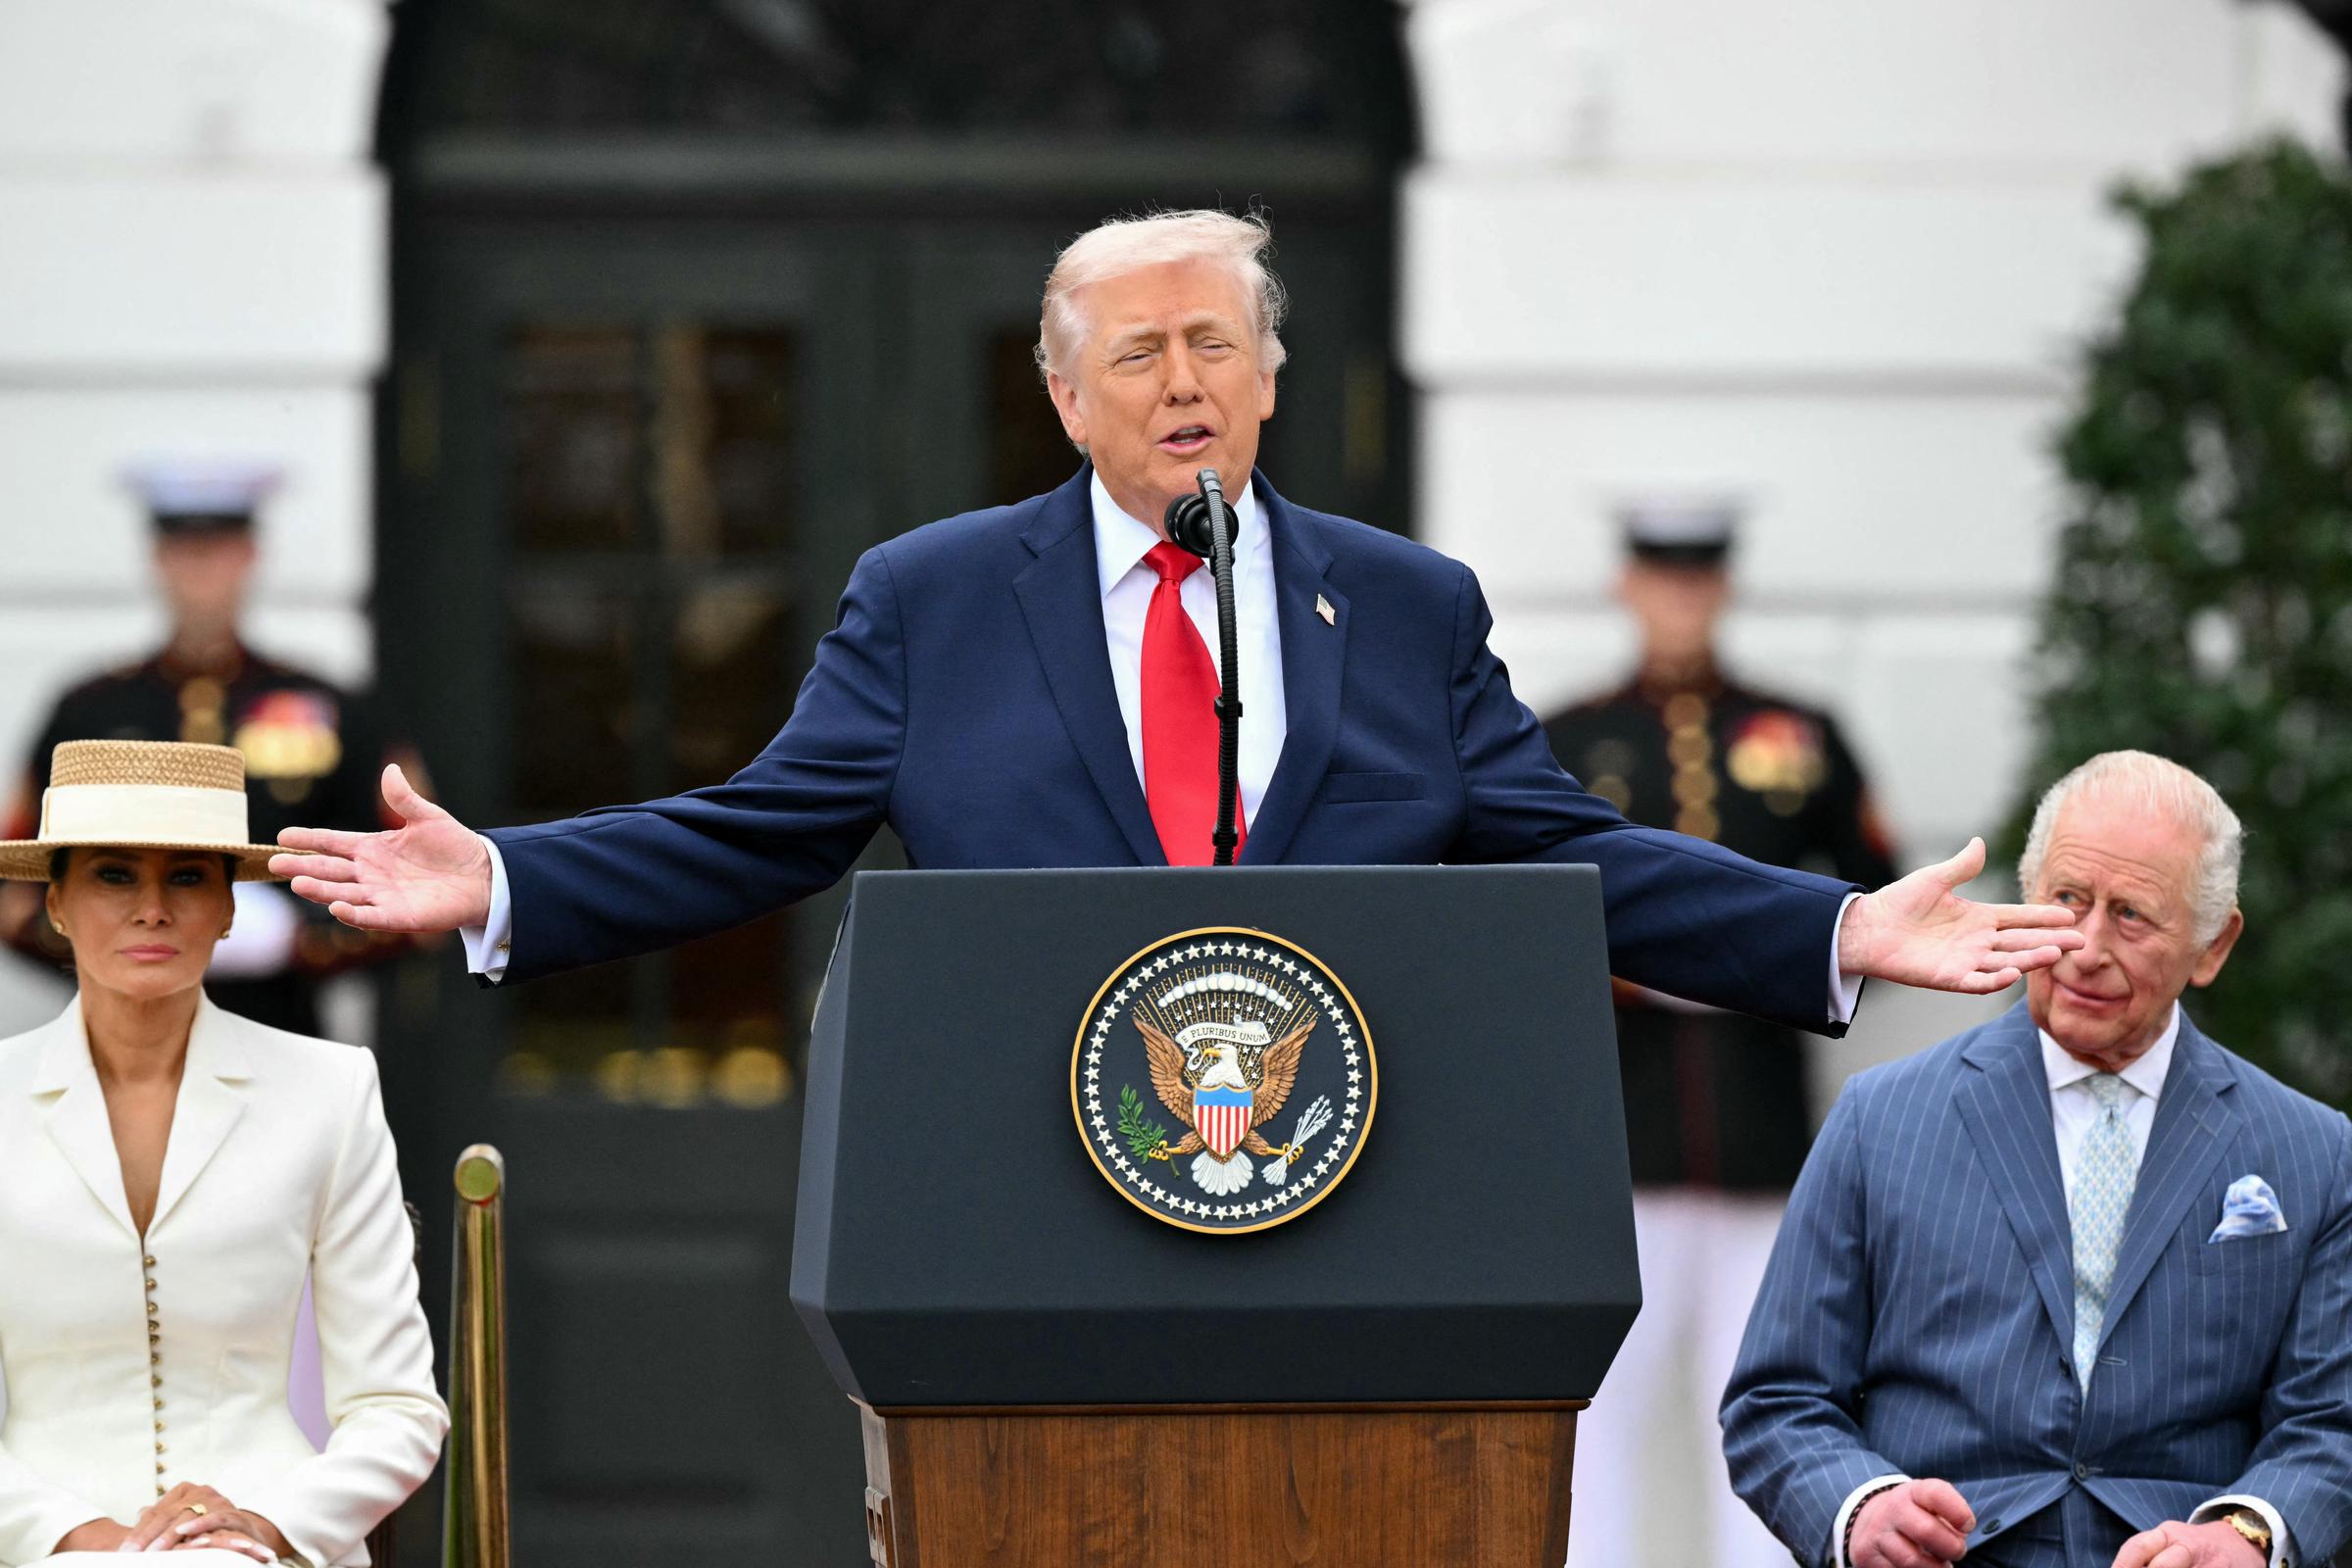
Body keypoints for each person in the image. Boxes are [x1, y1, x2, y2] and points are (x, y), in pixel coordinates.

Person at [271, 210, 2082, 1044]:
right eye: (1137, 353)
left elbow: (1562, 851)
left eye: (1217, 341)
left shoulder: (1401, 602)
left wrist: (1838, 925)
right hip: (1018, 1190)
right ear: (1067, 404)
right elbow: (760, 830)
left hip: (1352, 1189)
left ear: (1274, 374)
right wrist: (501, 879)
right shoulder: (934, 598)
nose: (1183, 379)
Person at [1723, 752, 2352, 1568]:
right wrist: (1861, 1509)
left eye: (2131, 915)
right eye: (2067, 901)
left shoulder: (2312, 1150)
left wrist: (2248, 1535)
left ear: (2211, 945)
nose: (2086, 947)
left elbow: (2332, 1421)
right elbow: (1777, 1401)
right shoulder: (1882, 1122)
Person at [1546, 500, 1898, 1568]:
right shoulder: (1566, 737)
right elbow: (1516, 919)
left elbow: (1879, 906)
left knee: (1767, 1413)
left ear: (1725, 589)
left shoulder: (1797, 732)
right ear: (1628, 587)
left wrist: (1790, 965)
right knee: (1590, 1421)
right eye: (1663, 580)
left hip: (1760, 1142)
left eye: (1698, 582)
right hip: (1619, 1145)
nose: (1681, 602)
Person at [0, 741, 447, 1567]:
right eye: (112, 874)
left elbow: (397, 1405)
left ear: (231, 908)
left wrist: (266, 1528)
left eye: (187, 876)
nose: (152, 909)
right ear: (54, 901)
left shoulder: (330, 1090)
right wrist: (80, 1537)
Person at [0, 461, 421, 1039]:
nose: (202, 570)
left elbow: (411, 882)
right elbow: (16, 890)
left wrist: (298, 938)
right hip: (119, 1030)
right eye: (185, 549)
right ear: (158, 558)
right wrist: (106, 937)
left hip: (283, 1031)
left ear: (250, 555)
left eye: (219, 548)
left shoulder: (333, 707)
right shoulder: (88, 708)